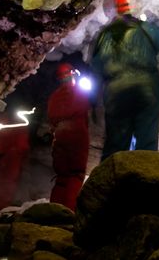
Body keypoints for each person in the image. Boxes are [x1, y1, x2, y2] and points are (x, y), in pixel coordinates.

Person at [90, 0, 159, 161]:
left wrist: (94, 101)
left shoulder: (103, 35)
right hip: (148, 89)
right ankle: (146, 182)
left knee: (116, 145)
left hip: (117, 94)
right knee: (147, 142)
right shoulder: (143, 27)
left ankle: (112, 182)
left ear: (108, 12)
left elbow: (96, 66)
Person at [47, 62, 90, 211]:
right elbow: (84, 112)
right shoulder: (79, 92)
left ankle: (53, 212)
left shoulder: (54, 97)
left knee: (62, 177)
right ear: (72, 74)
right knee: (75, 174)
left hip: (59, 135)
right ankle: (69, 213)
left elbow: (51, 117)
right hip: (76, 134)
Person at [0, 108, 30, 213]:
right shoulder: (12, 121)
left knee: (2, 182)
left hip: (3, 155)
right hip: (7, 156)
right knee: (5, 182)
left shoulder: (3, 119)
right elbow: (21, 144)